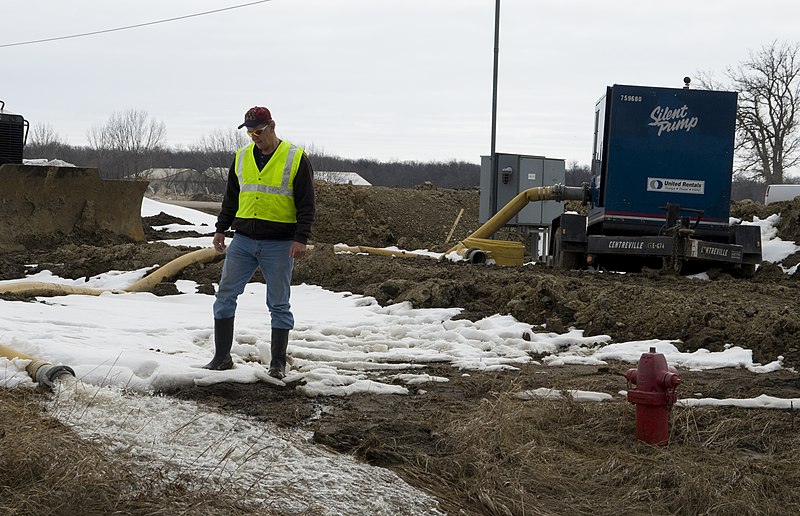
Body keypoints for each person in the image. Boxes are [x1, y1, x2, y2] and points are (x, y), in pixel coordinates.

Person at [204, 106, 315, 379]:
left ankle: (277, 363)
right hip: (242, 240)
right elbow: (231, 197)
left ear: (272, 126)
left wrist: (301, 238)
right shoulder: (242, 157)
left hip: (279, 243)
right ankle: (221, 358)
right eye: (250, 132)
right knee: (225, 296)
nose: (254, 137)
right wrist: (221, 229)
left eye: (259, 131)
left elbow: (307, 203)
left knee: (278, 303)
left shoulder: (295, 158)